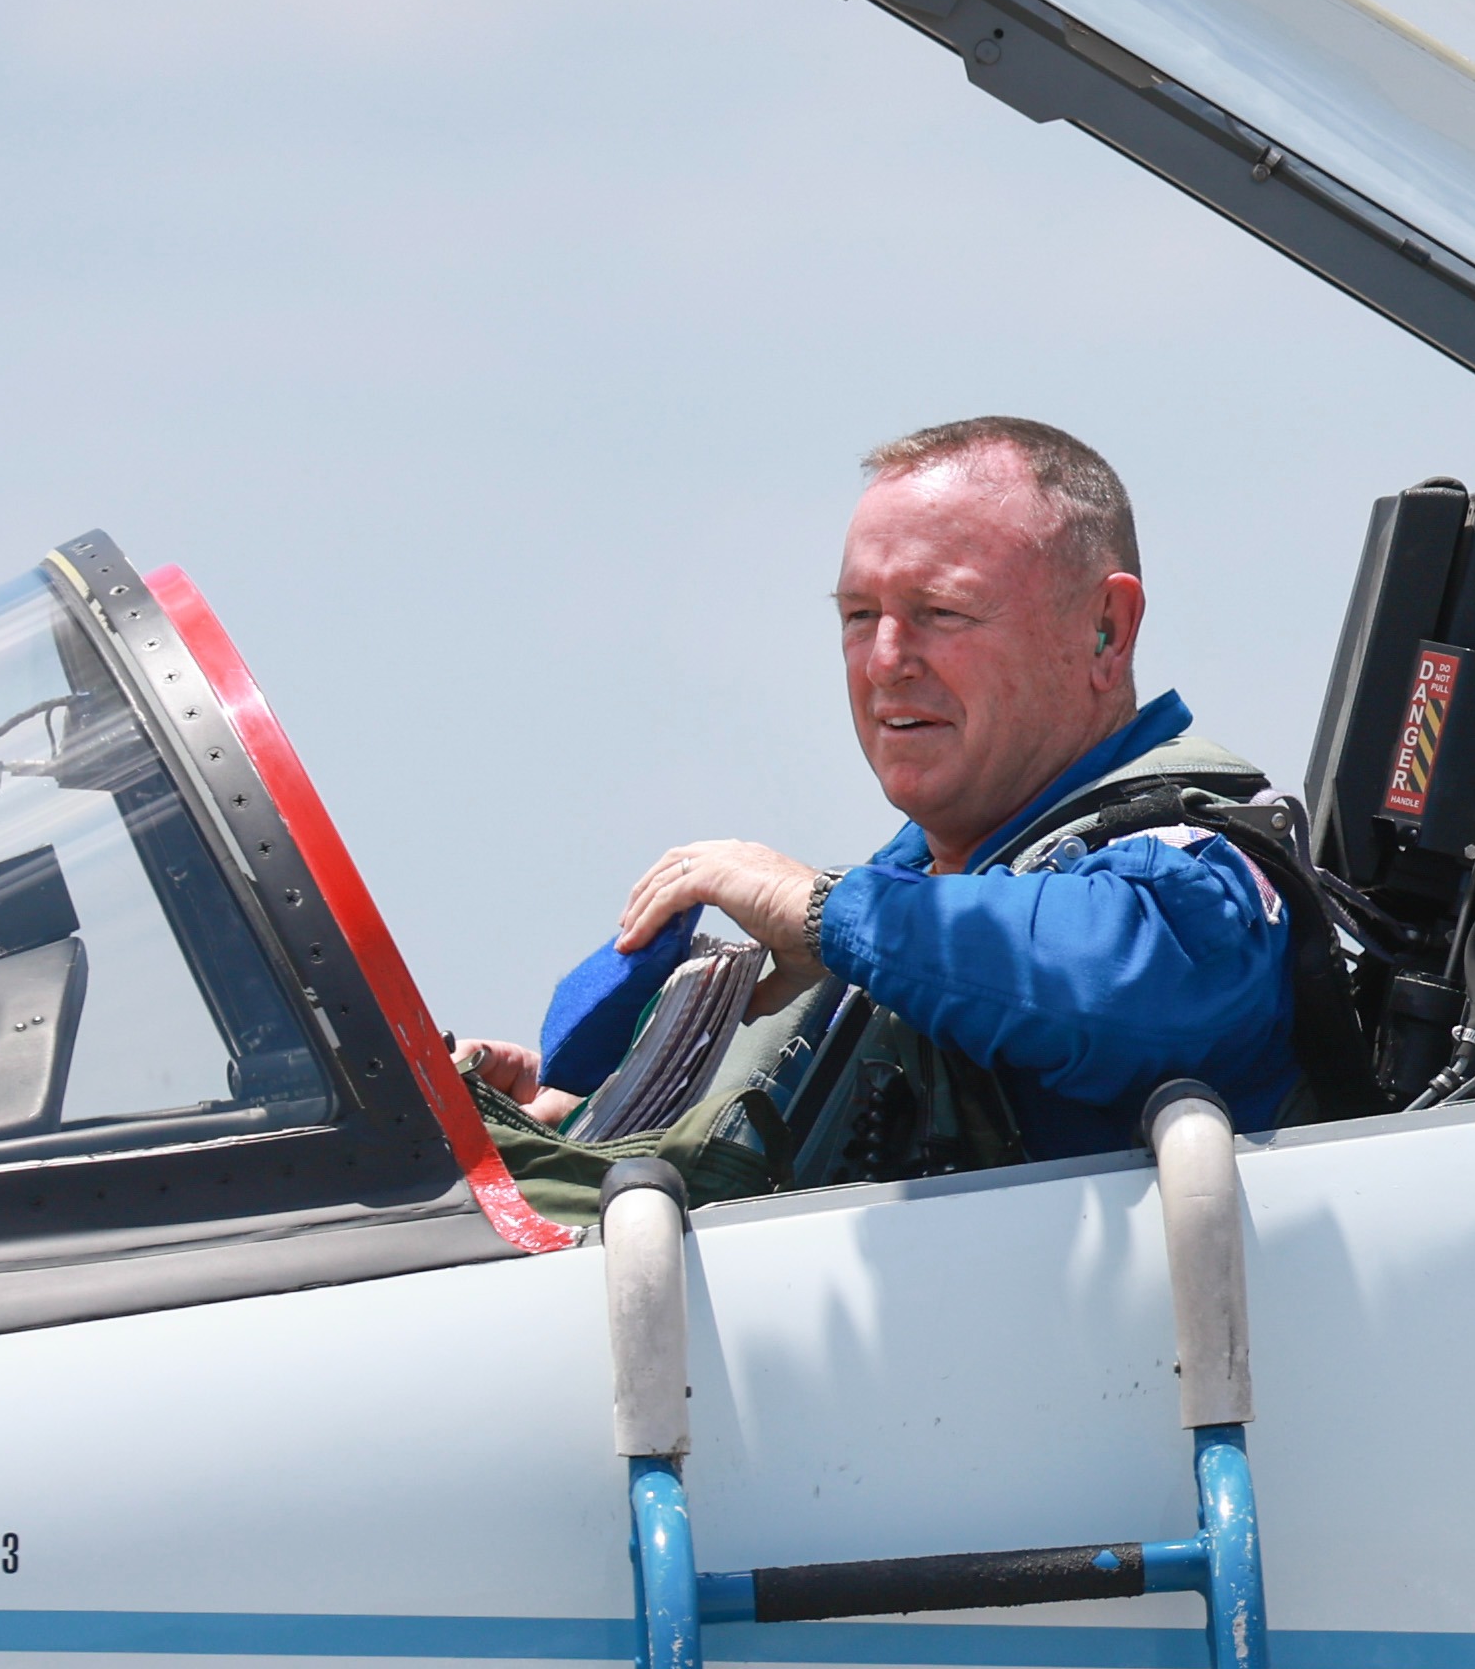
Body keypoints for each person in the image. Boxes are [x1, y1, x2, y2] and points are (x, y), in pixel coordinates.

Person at [457, 417, 1303, 1189]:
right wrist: (598, 1112)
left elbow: (1117, 975)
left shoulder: (1197, 869)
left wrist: (820, 908)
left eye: (942, 611)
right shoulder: (919, 885)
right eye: (861, 615)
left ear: (1105, 631)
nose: (886, 659)